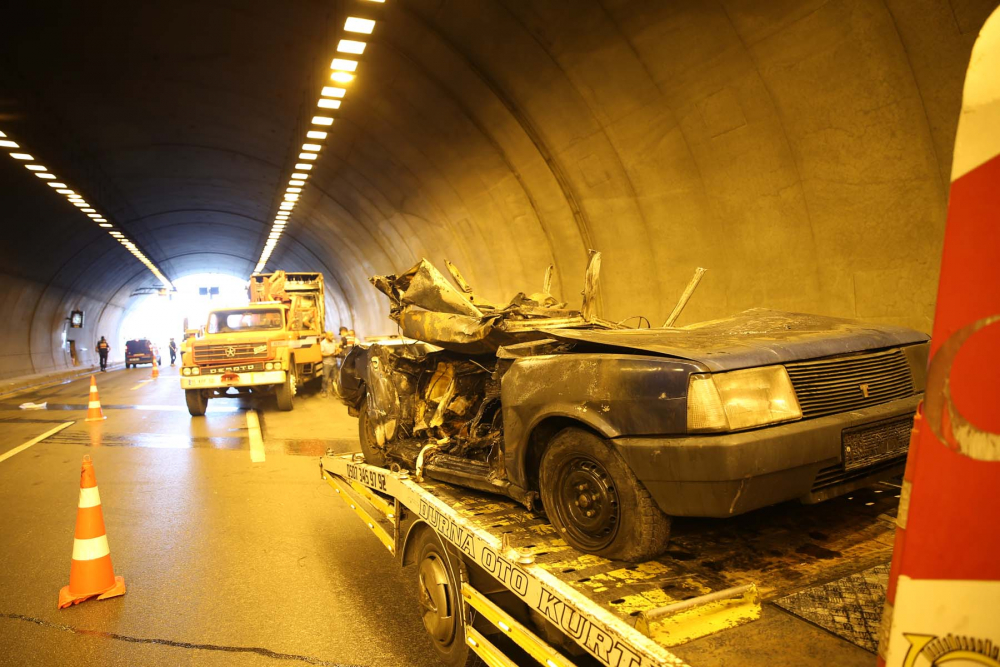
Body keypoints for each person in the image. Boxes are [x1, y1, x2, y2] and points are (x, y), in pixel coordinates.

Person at [320, 331, 340, 398]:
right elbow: (322, 354)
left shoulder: (334, 342)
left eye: (332, 335)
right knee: (325, 378)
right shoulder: (323, 343)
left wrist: (337, 351)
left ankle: (334, 391)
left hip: (334, 363)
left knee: (334, 379)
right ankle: (324, 391)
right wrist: (330, 354)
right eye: (331, 335)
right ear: (326, 336)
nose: (332, 337)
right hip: (327, 363)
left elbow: (336, 350)